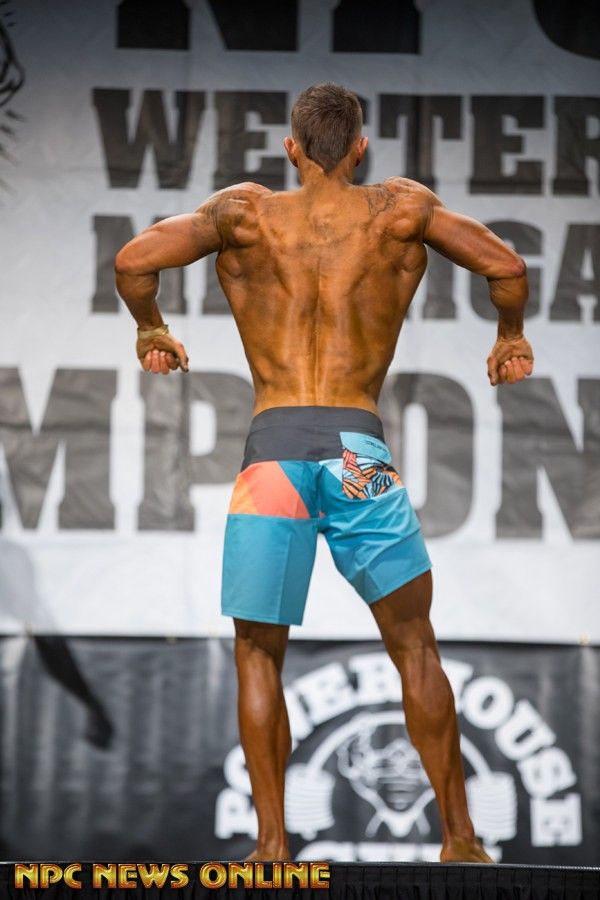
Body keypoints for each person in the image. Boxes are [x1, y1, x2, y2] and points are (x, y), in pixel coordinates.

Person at [115, 83, 533, 864]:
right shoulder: (399, 213)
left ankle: (272, 846)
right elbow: (505, 266)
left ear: (292, 148)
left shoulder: (244, 215)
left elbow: (134, 261)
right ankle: (460, 840)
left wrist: (151, 328)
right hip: (357, 454)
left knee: (257, 651)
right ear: (361, 147)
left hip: (272, 456)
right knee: (414, 645)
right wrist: (509, 335)